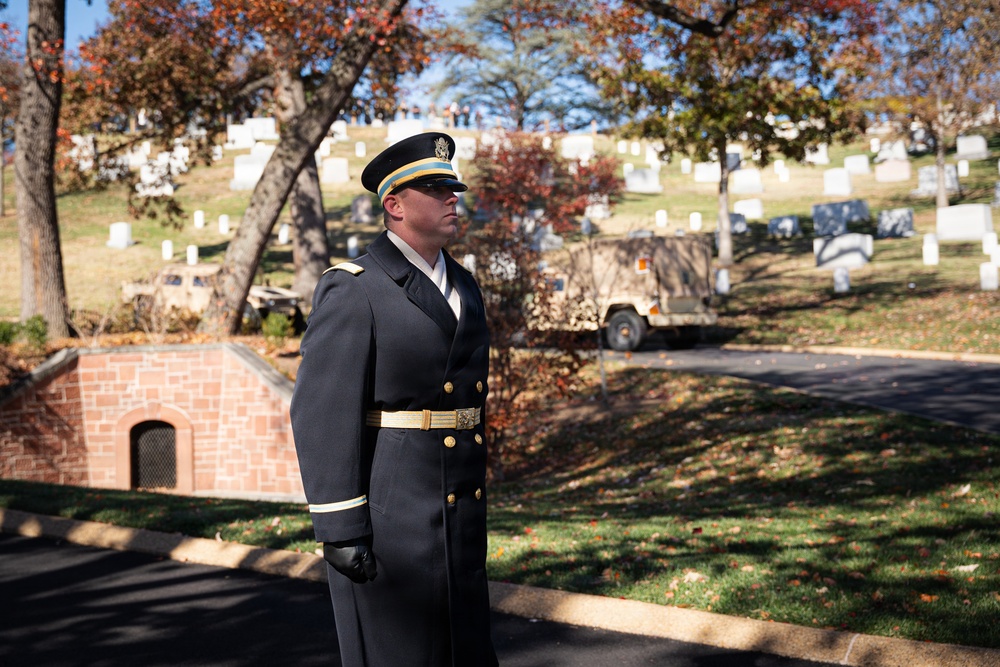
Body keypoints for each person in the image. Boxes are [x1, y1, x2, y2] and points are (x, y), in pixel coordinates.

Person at [290, 131, 497, 667]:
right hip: (392, 518)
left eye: (454, 188)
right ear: (395, 205)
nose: (454, 198)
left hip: (459, 507)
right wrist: (339, 525)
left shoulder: (464, 285)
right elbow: (322, 412)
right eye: (436, 188)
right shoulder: (355, 287)